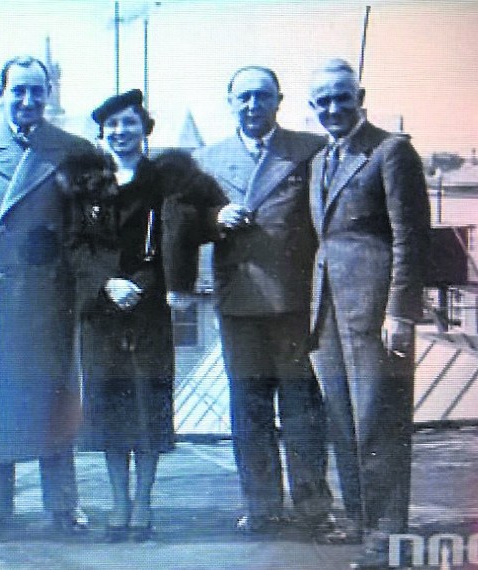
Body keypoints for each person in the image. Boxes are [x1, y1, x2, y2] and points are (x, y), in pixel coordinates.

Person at [60, 89, 219, 542]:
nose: (121, 132)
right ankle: (118, 503)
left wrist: (146, 285)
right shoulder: (86, 184)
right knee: (110, 408)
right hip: (102, 309)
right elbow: (75, 246)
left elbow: (184, 237)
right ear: (102, 133)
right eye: (112, 125)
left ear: (145, 128)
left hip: (150, 308)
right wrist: (107, 282)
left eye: (129, 123)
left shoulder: (167, 183)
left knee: (148, 407)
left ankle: (145, 502)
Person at [0, 55, 91, 539]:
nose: (28, 100)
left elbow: (85, 232)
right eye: (19, 91)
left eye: (37, 90)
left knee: (55, 400)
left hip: (50, 299)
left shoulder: (73, 150)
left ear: (49, 93)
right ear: (0, 92)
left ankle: (63, 507)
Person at [192, 66, 337, 537]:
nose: (253, 105)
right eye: (244, 97)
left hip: (296, 303)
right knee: (249, 410)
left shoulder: (308, 149)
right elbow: (184, 227)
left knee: (302, 409)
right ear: (229, 101)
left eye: (262, 96)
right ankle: (262, 506)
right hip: (239, 304)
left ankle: (313, 507)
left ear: (279, 101)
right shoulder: (207, 159)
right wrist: (215, 218)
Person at [307, 58, 430, 569]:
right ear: (313, 109)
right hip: (327, 311)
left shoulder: (391, 151)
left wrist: (400, 312)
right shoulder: (320, 161)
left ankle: (386, 534)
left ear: (361, 98)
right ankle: (357, 517)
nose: (333, 108)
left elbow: (410, 237)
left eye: (342, 97)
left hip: (376, 312)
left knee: (380, 422)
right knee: (341, 420)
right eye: (323, 102)